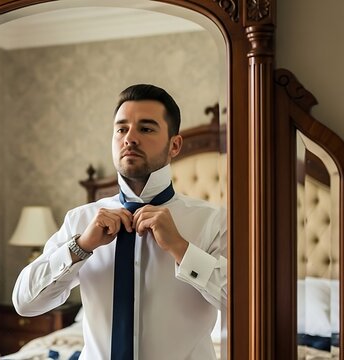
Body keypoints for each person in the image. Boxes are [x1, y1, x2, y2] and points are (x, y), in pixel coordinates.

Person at [13, 84, 227, 359]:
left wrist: (181, 249)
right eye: (121, 129)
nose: (130, 138)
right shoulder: (81, 220)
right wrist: (80, 246)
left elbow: (247, 306)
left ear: (174, 145)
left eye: (146, 129)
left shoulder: (212, 220)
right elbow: (24, 303)